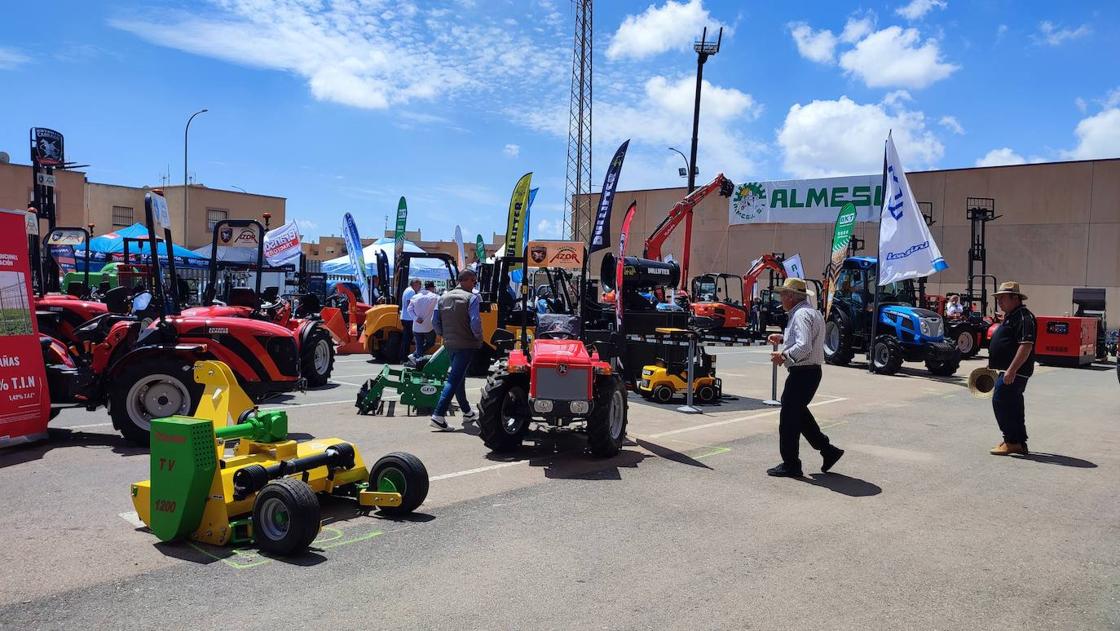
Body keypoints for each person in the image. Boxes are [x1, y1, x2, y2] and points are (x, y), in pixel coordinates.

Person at [766, 278, 844, 477]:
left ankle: (791, 464)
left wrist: (784, 356)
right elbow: (806, 339)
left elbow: (804, 346)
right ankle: (828, 450)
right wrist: (783, 339)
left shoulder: (800, 315)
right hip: (809, 372)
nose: (781, 298)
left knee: (789, 419)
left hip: (803, 372)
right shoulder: (811, 312)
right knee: (798, 414)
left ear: (791, 296)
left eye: (783, 294)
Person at [987, 281, 1036, 456]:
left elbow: (1026, 345)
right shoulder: (1012, 316)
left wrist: (1012, 370)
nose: (999, 302)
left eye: (1002, 298)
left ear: (1015, 298)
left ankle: (1011, 440)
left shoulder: (1024, 317)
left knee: (1001, 401)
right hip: (1008, 370)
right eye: (998, 298)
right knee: (1013, 404)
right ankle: (1018, 441)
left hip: (1016, 371)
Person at [430, 269, 482, 431]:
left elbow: (435, 321)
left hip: (450, 343)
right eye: (473, 281)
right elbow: (475, 322)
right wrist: (478, 337)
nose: (475, 284)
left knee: (459, 377)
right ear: (466, 280)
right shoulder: (471, 298)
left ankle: (466, 411)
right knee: (454, 379)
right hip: (466, 343)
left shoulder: (442, 297)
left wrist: (443, 335)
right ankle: (438, 415)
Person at [408, 280, 439, 360]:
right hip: (429, 327)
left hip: (416, 327)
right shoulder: (435, 297)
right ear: (432, 288)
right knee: (431, 342)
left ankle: (416, 355)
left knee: (419, 344)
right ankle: (417, 356)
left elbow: (409, 309)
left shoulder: (415, 296)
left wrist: (415, 318)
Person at [399, 278, 421, 361]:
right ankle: (404, 357)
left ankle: (403, 356)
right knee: (407, 339)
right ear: (415, 284)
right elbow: (410, 304)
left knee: (406, 338)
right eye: (419, 285)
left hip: (405, 317)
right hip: (409, 318)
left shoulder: (407, 290)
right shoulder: (411, 292)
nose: (420, 287)